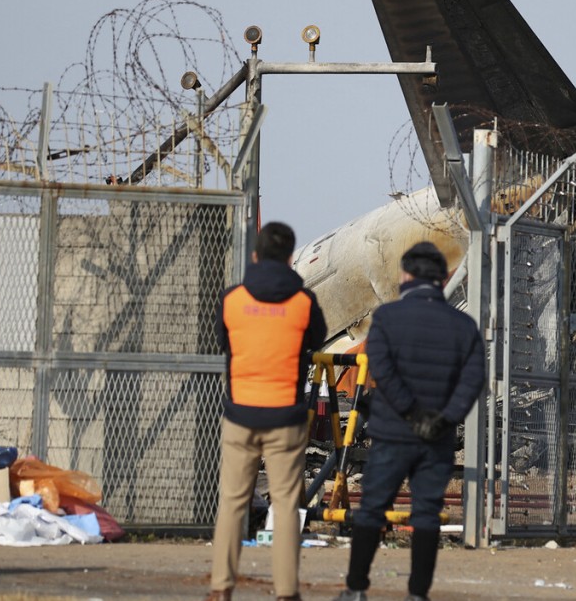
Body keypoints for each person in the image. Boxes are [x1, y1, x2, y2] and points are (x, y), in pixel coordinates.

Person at [333, 242, 484, 601]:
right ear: (442, 277)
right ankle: (418, 594)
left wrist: (409, 413)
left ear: (405, 275)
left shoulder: (387, 318)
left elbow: (382, 370)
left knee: (372, 507)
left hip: (392, 433)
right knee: (427, 513)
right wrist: (443, 418)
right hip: (439, 437)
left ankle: (356, 589)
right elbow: (473, 378)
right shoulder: (464, 326)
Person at [206, 221, 328, 601]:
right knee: (287, 503)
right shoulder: (304, 302)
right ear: (292, 258)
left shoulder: (232, 299)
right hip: (285, 417)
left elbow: (222, 342)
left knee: (232, 500)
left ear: (256, 255)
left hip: (241, 412)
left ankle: (222, 586)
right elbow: (318, 338)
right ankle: (287, 591)